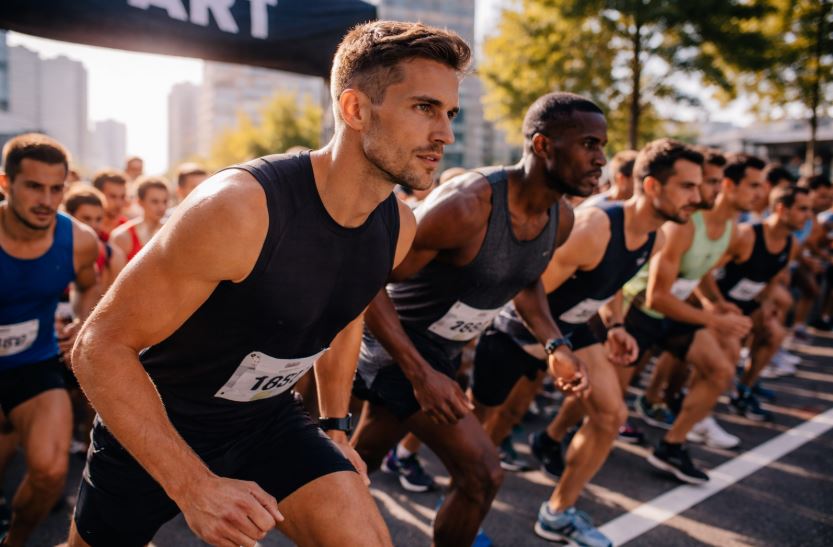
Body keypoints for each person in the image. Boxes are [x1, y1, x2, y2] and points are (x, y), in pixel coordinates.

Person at [68, 20, 471, 547]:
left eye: (450, 113)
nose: (445, 133)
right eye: (425, 108)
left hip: (268, 420)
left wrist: (333, 425)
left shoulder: (398, 227)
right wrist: (194, 487)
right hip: (162, 419)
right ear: (354, 109)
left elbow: (345, 315)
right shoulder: (240, 208)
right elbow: (97, 347)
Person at [351, 91, 603, 547]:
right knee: (483, 473)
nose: (600, 159)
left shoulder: (561, 219)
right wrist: (420, 373)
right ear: (543, 146)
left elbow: (525, 281)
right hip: (397, 349)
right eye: (589, 144)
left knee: (357, 461)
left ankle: (296, 503)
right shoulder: (466, 207)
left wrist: (555, 345)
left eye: (601, 146)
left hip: (440, 356)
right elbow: (369, 282)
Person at [472, 138, 702, 546]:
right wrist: (553, 348)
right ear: (651, 186)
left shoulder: (656, 238)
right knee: (486, 436)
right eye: (687, 187)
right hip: (520, 329)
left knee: (611, 415)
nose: (698, 198)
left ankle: (557, 513)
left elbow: (609, 284)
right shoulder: (595, 227)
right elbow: (529, 291)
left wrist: (614, 326)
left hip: (572, 330)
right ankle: (460, 515)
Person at [624, 153, 766, 481]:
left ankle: (671, 446)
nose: (761, 194)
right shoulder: (685, 225)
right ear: (728, 187)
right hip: (639, 313)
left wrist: (714, 302)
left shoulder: (731, 228)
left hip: (678, 312)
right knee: (608, 404)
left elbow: (701, 271)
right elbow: (655, 296)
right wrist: (713, 319)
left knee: (720, 370)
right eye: (754, 186)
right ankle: (553, 437)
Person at [0, 133, 99, 547]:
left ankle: (15, 540)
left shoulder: (79, 241)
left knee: (50, 470)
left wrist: (83, 320)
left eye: (56, 188)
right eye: (34, 186)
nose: (46, 199)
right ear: (6, 184)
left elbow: (90, 288)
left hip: (33, 363)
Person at [702, 185, 809, 421]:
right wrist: (716, 305)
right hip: (722, 304)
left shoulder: (791, 244)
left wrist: (765, 305)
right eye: (802, 209)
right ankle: (697, 410)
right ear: (782, 209)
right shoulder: (746, 235)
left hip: (748, 304)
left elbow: (772, 278)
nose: (808, 215)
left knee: (774, 333)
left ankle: (744, 390)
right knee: (727, 351)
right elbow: (706, 271)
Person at [63, 186, 127, 293]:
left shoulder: (111, 253)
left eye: (98, 219)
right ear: (69, 216)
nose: (93, 225)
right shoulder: (48, 242)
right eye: (86, 218)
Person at [110, 176, 169, 261]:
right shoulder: (122, 236)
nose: (161, 207)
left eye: (165, 201)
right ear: (140, 202)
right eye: (155, 202)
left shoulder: (172, 231)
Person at [91, 169, 129, 241]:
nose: (119, 203)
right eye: (112, 196)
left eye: (122, 197)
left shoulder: (127, 228)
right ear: (97, 194)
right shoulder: (86, 227)